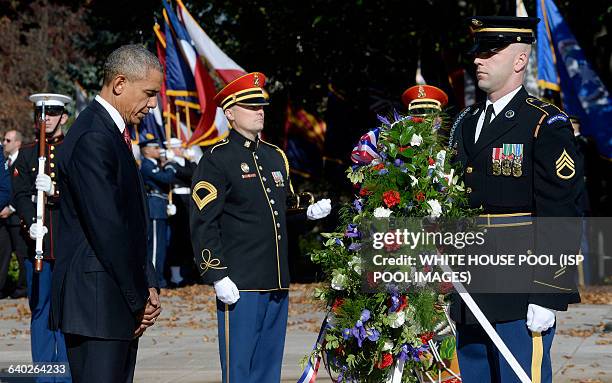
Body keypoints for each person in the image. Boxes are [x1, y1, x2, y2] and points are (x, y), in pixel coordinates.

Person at [449, 16, 582, 383]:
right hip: (470, 289)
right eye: (478, 51)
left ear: (520, 61)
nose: (478, 59)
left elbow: (560, 212)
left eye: (490, 52)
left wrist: (549, 292)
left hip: (519, 293)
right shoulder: (465, 121)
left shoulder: (543, 122)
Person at [189, 72, 332, 383]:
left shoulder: (273, 156)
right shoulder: (217, 159)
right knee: (240, 369)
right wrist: (216, 273)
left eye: (261, 106)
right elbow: (203, 222)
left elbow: (282, 210)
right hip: (240, 282)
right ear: (229, 113)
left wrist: (307, 213)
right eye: (251, 106)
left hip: (276, 277)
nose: (259, 111)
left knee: (268, 369)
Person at [50, 44, 163, 383]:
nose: (153, 104)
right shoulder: (93, 137)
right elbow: (108, 227)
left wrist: (149, 282)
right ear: (119, 84)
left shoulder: (110, 134)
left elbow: (131, 221)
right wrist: (138, 297)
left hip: (111, 300)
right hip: (96, 304)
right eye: (149, 93)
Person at [11, 93, 72, 379]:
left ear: (64, 116)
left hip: (67, 244)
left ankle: (66, 373)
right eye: (41, 113)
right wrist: (29, 223)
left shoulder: (72, 149)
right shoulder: (26, 153)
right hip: (36, 245)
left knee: (66, 312)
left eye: (52, 113)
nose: (45, 118)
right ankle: (46, 374)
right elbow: (20, 193)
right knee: (40, 310)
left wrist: (55, 193)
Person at [139, 136, 178, 288]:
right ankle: (153, 281)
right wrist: (170, 166)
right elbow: (166, 178)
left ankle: (159, 278)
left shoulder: (154, 163)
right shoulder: (147, 165)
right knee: (155, 247)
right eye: (155, 148)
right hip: (154, 208)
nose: (158, 150)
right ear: (147, 151)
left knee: (161, 245)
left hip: (160, 207)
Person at [164, 137, 197, 288]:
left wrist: (193, 160)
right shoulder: (170, 164)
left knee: (189, 238)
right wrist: (172, 164)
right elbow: (183, 175)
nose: (180, 150)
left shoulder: (187, 163)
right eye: (177, 147)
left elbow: (195, 174)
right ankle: (175, 276)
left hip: (189, 202)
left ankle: (189, 272)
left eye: (180, 147)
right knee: (177, 239)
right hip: (177, 200)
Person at [0, 130, 27, 299]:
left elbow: (23, 188)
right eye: (4, 139)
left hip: (16, 217)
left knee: (21, 253)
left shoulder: (23, 160)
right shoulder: (6, 161)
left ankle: (23, 288)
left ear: (17, 143)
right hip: (4, 218)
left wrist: (11, 207)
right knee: (3, 254)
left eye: (8, 140)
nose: (4, 142)